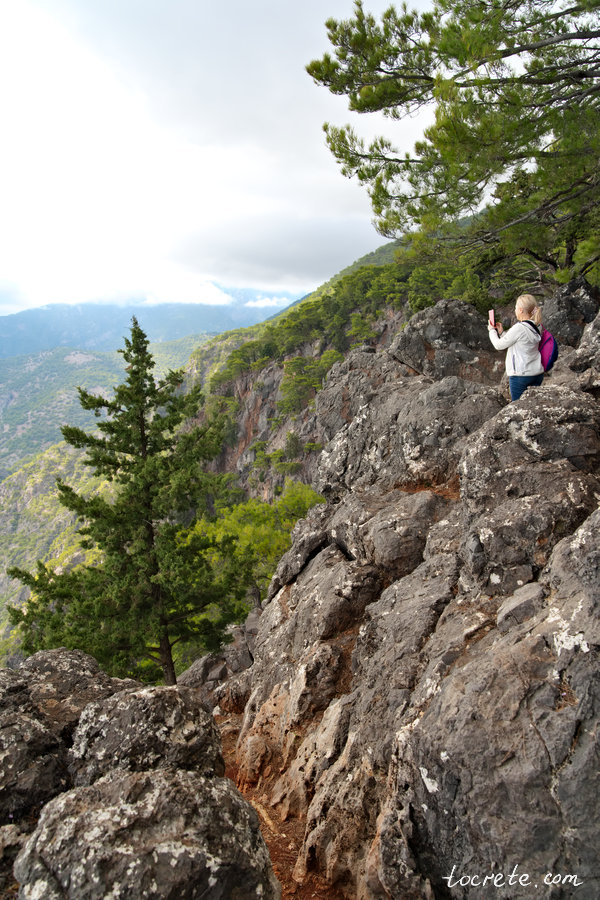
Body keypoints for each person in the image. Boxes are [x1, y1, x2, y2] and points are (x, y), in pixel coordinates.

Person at [488, 293, 544, 401]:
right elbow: (520, 342)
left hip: (521, 376)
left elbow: (498, 345)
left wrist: (491, 330)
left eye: (515, 308)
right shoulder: (537, 326)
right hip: (537, 373)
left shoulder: (519, 328)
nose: (515, 310)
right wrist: (502, 333)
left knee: (519, 407)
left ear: (521, 310)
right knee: (532, 404)